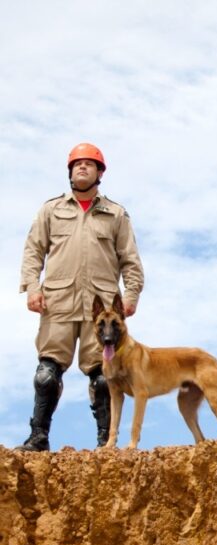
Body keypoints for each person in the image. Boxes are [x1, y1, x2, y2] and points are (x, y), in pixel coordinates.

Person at [18, 143, 145, 452]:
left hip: (101, 311)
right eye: (77, 164)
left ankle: (106, 441)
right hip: (58, 303)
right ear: (70, 171)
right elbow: (33, 251)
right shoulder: (51, 210)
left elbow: (130, 259)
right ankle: (38, 438)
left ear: (100, 172)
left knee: (104, 378)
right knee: (46, 375)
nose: (82, 168)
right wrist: (32, 287)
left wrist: (131, 294)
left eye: (89, 164)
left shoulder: (115, 214)